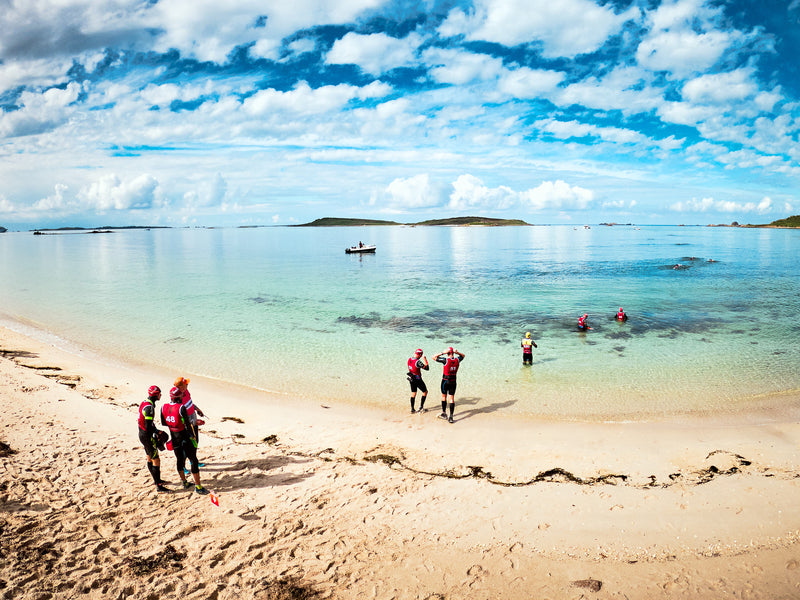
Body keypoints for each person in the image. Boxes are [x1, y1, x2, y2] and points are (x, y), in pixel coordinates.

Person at [161, 386, 209, 495]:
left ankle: (184, 482)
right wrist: (192, 436)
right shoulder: (181, 407)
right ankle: (198, 486)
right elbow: (188, 424)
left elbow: (164, 423)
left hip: (174, 437)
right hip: (184, 437)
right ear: (179, 396)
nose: (183, 396)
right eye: (182, 395)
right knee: (194, 460)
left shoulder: (163, 407)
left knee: (179, 460)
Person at [137, 385, 169, 493]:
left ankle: (157, 480)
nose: (161, 395)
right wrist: (158, 432)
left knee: (149, 458)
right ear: (156, 395)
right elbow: (148, 426)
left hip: (141, 434)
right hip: (147, 436)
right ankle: (159, 485)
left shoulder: (144, 402)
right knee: (156, 460)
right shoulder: (150, 408)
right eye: (160, 393)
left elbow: (147, 423)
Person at [433, 347, 465, 424]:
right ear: (453, 353)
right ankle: (451, 416)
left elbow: (433, 357)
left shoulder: (445, 360)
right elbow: (463, 356)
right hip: (453, 381)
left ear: (447, 353)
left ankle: (444, 413)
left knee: (444, 396)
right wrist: (457, 352)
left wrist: (442, 352)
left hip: (445, 381)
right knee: (451, 398)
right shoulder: (457, 360)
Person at [407, 348, 429, 413]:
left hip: (411, 378)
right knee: (425, 392)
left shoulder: (409, 359)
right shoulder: (418, 362)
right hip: (417, 379)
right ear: (419, 355)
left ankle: (412, 409)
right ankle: (421, 407)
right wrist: (425, 359)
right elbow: (427, 368)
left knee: (413, 393)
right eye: (420, 355)